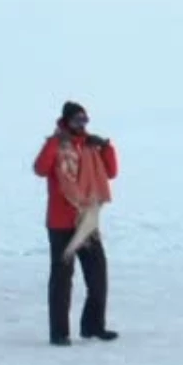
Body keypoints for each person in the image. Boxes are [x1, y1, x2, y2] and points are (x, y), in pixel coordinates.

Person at [32, 101, 119, 346]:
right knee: (61, 279)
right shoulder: (56, 144)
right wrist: (54, 144)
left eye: (85, 120)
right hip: (60, 223)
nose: (81, 125)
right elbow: (40, 169)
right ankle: (59, 333)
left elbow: (111, 172)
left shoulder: (91, 145)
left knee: (98, 275)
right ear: (66, 121)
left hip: (86, 221)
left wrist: (106, 147)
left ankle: (93, 326)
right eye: (77, 121)